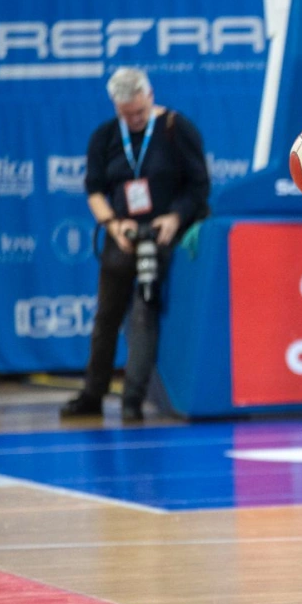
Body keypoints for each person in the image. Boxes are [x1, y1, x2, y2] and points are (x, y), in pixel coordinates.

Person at [61, 68, 209, 423]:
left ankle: (133, 399)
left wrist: (174, 218)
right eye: (127, 115)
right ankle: (93, 393)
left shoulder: (176, 129)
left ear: (151, 96)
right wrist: (114, 225)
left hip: (163, 238)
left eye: (140, 112)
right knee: (106, 317)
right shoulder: (106, 136)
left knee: (144, 315)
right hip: (123, 237)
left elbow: (199, 186)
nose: (135, 120)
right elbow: (95, 190)